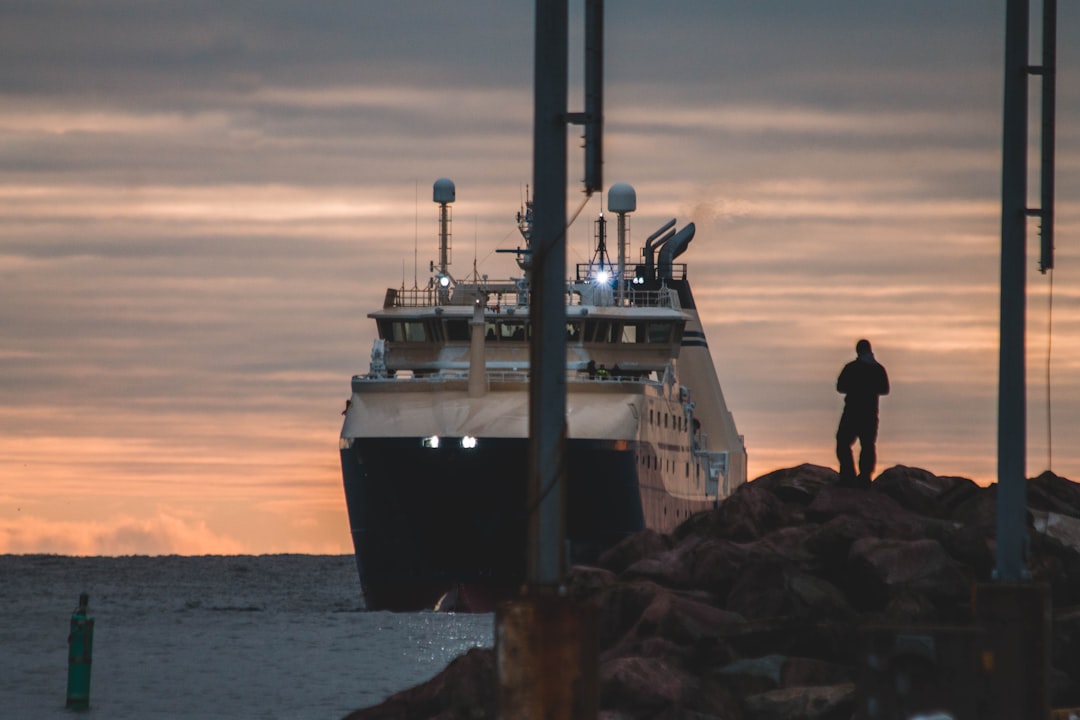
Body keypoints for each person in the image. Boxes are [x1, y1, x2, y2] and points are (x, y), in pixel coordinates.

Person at [836, 339, 890, 487]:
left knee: (843, 442)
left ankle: (848, 475)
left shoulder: (852, 368)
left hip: (852, 412)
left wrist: (856, 388)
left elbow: (840, 386)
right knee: (867, 445)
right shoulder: (878, 369)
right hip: (870, 413)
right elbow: (885, 389)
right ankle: (864, 477)